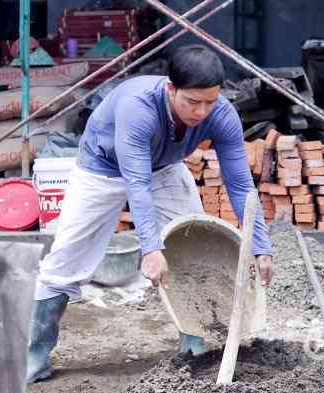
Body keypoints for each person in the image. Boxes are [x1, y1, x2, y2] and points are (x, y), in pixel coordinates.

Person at [26, 45, 275, 383]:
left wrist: (261, 246)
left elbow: (241, 185)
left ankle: (193, 347)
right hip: (102, 168)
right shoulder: (138, 108)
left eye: (210, 102)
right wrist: (151, 248)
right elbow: (137, 183)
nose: (202, 112)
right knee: (66, 260)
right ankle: (33, 357)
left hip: (164, 168)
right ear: (171, 89)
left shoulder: (221, 114)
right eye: (192, 102)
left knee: (193, 245)